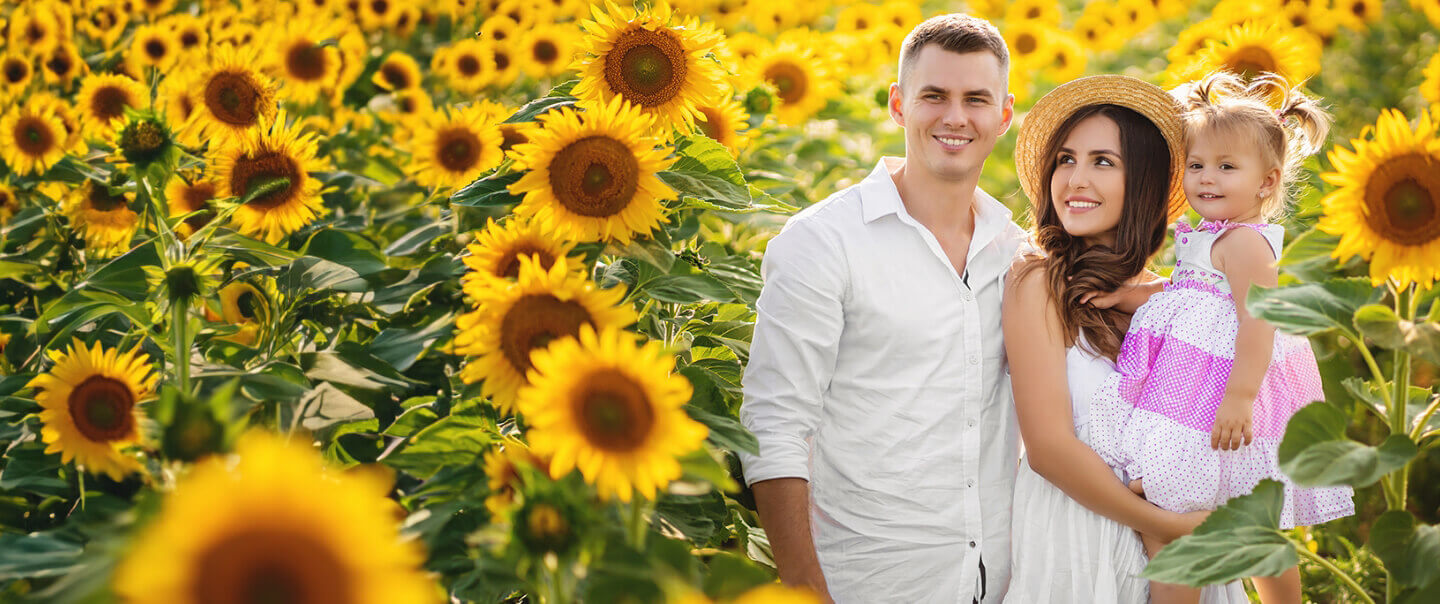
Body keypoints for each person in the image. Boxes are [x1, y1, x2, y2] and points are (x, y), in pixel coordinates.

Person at [737, 14, 1026, 603]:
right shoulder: (823, 241)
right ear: (898, 104)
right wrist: (805, 591)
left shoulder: (1016, 249)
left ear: (1004, 114)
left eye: (976, 99)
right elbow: (773, 426)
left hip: (1002, 580)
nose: (955, 117)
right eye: (934, 96)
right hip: (871, 582)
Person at [1084, 71, 1355, 603]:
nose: (1207, 179)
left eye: (1227, 167)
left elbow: (1259, 322)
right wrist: (1129, 297)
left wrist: (1241, 396)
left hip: (1223, 397)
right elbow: (1184, 289)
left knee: (1203, 521)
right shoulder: (1208, 238)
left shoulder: (1246, 246)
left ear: (1267, 182)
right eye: (1197, 165)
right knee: (1207, 517)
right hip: (1192, 394)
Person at [1001, 74, 1249, 603]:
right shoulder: (1040, 280)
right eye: (1066, 159)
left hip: (1186, 543)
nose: (1075, 179)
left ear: (1145, 183)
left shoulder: (1181, 300)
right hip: (1082, 535)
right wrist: (1164, 525)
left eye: (1103, 162)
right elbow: (1047, 448)